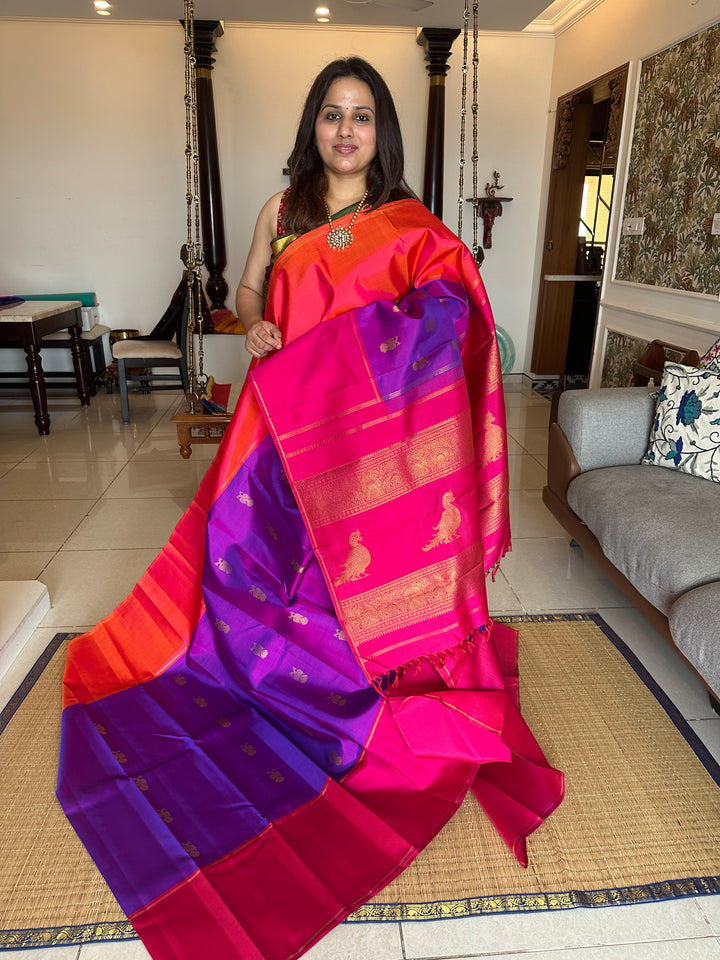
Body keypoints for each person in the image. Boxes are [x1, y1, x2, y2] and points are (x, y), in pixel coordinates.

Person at [57, 58, 564, 960]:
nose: (345, 131)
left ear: (381, 132)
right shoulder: (280, 213)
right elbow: (247, 291)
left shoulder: (407, 224)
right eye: (332, 115)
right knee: (261, 558)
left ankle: (355, 681)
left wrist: (420, 327)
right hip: (286, 425)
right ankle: (268, 677)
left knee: (355, 573)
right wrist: (253, 320)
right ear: (313, 125)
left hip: (365, 441)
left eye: (362, 117)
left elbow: (455, 307)